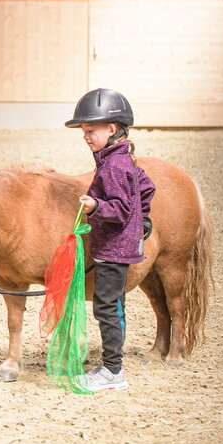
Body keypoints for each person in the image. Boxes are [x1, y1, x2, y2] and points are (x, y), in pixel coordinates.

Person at [66, 88, 155, 391]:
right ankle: (111, 366)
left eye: (91, 130)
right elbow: (146, 186)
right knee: (113, 305)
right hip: (116, 246)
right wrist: (143, 218)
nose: (86, 136)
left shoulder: (114, 165)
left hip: (114, 249)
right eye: (83, 131)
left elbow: (118, 209)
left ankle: (113, 371)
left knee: (107, 307)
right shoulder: (117, 158)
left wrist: (95, 206)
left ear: (112, 129)